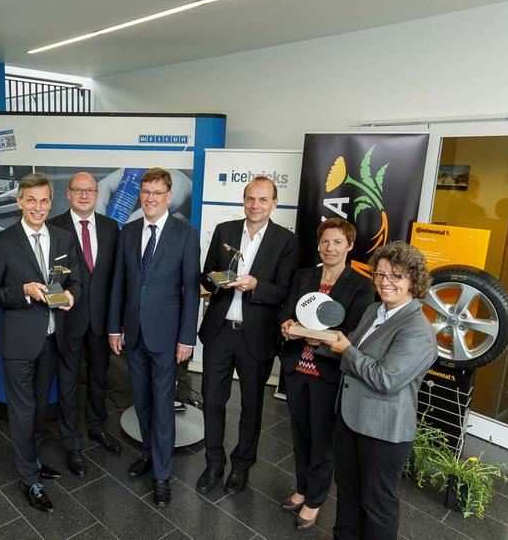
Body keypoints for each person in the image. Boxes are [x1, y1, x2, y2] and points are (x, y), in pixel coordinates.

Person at [0, 172, 81, 514]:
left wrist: (71, 294)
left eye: (44, 201)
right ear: (19, 201)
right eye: (31, 200)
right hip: (19, 344)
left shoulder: (65, 239)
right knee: (22, 412)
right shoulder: (2, 242)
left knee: (39, 410)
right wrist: (23, 292)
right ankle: (28, 478)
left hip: (54, 338)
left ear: (52, 203)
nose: (38, 207)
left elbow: (77, 281)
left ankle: (33, 459)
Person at [324, 241, 436, 540]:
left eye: (396, 276)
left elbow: (387, 379)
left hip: (384, 432)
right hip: (351, 417)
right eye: (380, 274)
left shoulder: (417, 330)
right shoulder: (375, 310)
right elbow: (356, 345)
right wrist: (322, 337)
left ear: (413, 280)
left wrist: (345, 350)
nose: (385, 282)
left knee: (377, 505)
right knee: (347, 492)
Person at [196, 176, 298, 495]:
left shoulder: (286, 241)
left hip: (257, 336)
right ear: (243, 199)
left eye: (263, 200)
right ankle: (213, 464)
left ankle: (241, 467)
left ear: (274, 203)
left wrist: (256, 286)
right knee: (212, 401)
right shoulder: (225, 230)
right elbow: (206, 274)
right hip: (220, 331)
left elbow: (285, 292)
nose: (255, 205)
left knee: (252, 406)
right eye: (250, 199)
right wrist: (216, 281)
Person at [107, 167, 200, 508]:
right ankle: (149, 453)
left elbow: (191, 290)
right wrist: (115, 327)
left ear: (168, 196)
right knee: (142, 401)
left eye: (157, 193)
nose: (150, 198)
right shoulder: (128, 231)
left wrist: (186, 339)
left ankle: (162, 474)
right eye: (145, 192)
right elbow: (120, 283)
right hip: (133, 333)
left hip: (167, 335)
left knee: (162, 406)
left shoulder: (185, 234)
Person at [278, 218, 374, 530]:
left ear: (349, 246)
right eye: (325, 242)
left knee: (322, 440)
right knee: (299, 434)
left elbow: (355, 332)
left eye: (336, 242)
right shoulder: (304, 276)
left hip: (327, 374)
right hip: (296, 369)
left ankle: (315, 500)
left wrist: (324, 337)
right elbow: (286, 310)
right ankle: (303, 487)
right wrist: (287, 325)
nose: (329, 248)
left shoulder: (360, 285)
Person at [48, 172, 122, 477]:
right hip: (67, 318)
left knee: (99, 378)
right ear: (68, 194)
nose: (84, 195)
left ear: (96, 194)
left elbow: (117, 278)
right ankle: (71, 442)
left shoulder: (110, 227)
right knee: (66, 382)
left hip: (101, 319)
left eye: (89, 190)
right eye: (78, 190)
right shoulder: (54, 227)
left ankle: (96, 427)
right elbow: (50, 276)